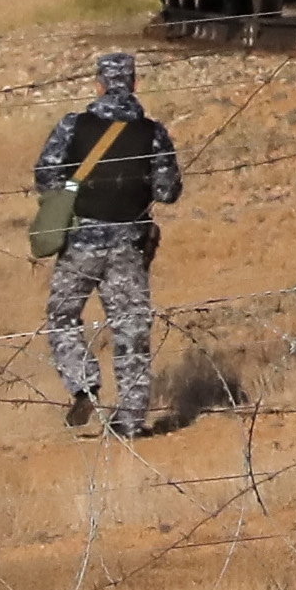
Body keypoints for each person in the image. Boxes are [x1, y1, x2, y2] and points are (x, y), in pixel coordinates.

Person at [35, 50, 181, 440]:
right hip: (129, 247)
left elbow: (45, 175)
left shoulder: (73, 125)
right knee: (131, 329)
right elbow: (168, 192)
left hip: (81, 243)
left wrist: (72, 190)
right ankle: (131, 421)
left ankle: (84, 385)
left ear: (99, 84)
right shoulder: (152, 132)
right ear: (134, 84)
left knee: (62, 315)